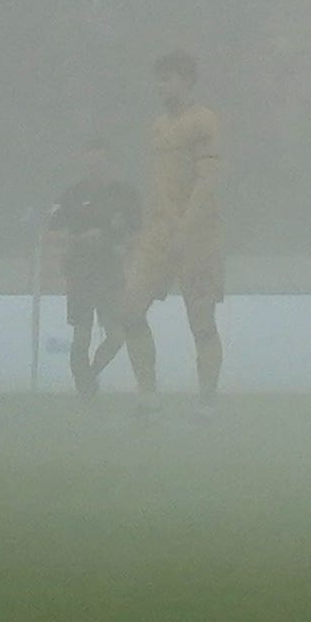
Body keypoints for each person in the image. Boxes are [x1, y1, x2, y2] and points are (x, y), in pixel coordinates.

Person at [118, 52, 221, 402]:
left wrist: (185, 229)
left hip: (195, 238)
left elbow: (207, 182)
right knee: (130, 311)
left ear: (187, 80)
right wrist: (146, 230)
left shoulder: (203, 121)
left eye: (168, 77)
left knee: (202, 322)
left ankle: (206, 402)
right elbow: (158, 186)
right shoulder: (157, 125)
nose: (161, 84)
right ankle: (148, 397)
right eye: (158, 78)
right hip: (157, 237)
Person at [46, 141, 134, 397]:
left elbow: (136, 233)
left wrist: (119, 244)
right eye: (89, 164)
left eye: (99, 164)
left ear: (109, 164)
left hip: (110, 276)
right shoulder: (70, 196)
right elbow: (50, 233)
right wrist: (78, 240)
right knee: (81, 336)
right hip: (80, 275)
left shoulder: (123, 195)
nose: (93, 169)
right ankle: (85, 389)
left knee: (117, 336)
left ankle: (90, 376)